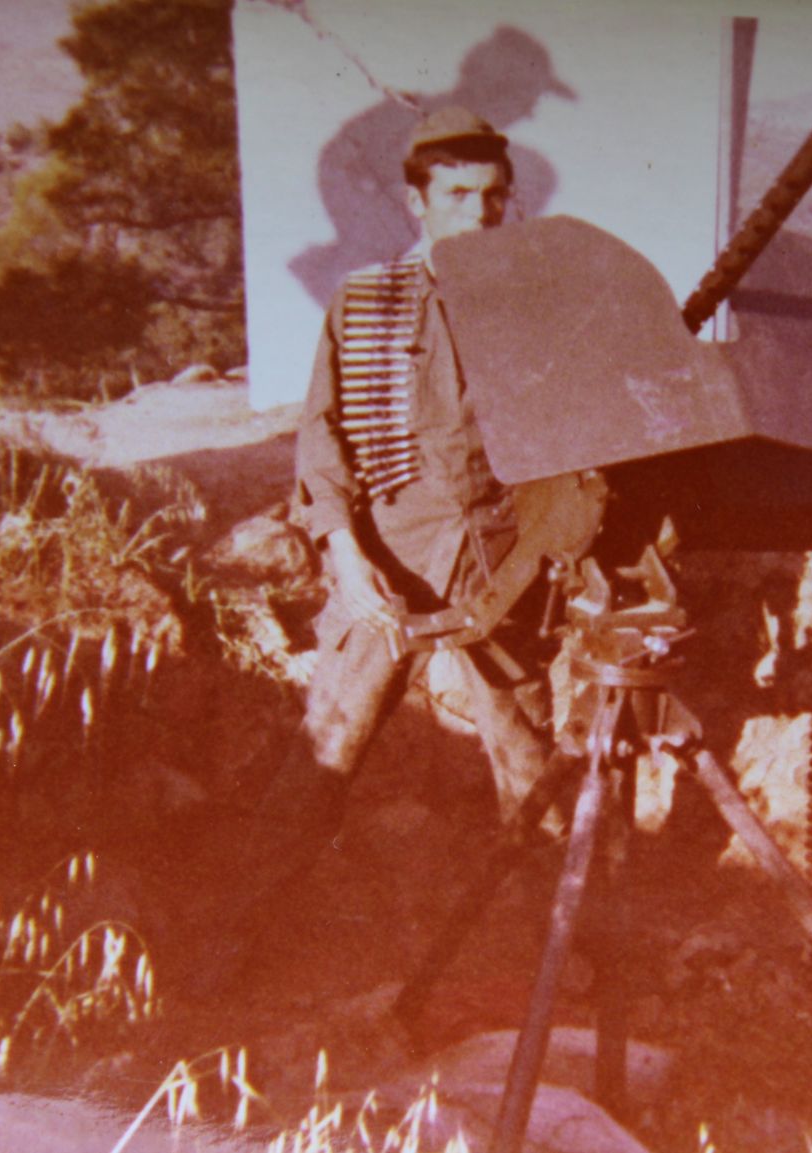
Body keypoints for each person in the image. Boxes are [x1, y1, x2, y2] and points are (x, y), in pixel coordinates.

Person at [237, 108, 555, 931]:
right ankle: (244, 938)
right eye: (458, 195)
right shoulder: (365, 301)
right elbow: (323, 436)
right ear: (417, 201)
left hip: (500, 556)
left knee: (528, 755)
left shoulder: (531, 301)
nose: (479, 213)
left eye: (493, 196)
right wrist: (346, 553)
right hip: (389, 555)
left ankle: (550, 949)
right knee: (327, 745)